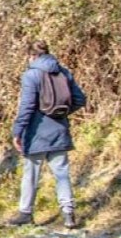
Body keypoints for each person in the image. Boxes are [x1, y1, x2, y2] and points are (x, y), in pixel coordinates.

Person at [9, 40, 87, 228]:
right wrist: (61, 113)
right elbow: (80, 99)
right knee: (62, 173)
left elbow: (27, 107)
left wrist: (17, 131)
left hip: (36, 131)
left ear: (32, 56)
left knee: (31, 173)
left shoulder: (31, 75)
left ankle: (26, 213)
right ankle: (68, 214)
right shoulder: (64, 72)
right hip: (59, 129)